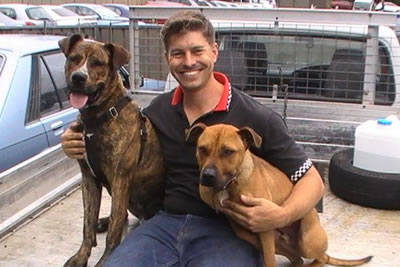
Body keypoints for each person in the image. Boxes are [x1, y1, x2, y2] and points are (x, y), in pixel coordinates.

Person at [61, 10, 325, 267]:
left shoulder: (256, 117)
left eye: (197, 51)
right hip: (164, 225)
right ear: (167, 58)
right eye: (178, 53)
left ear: (214, 51)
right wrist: (73, 140)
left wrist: (280, 215)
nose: (188, 62)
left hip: (227, 233)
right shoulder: (157, 112)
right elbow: (112, 132)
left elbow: (312, 181)